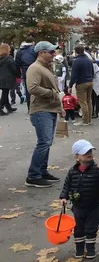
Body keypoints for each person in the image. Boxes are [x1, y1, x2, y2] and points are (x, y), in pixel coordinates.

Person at [25, 42, 65, 187]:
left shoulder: (46, 67)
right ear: (41, 52)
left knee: (46, 142)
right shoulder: (35, 68)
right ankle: (33, 175)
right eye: (51, 52)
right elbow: (32, 88)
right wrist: (51, 94)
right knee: (44, 142)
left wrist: (59, 106)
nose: (53, 54)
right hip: (41, 110)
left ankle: (42, 171)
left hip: (49, 109)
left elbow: (54, 88)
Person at [59, 140, 99, 258]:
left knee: (91, 228)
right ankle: (79, 249)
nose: (89, 154)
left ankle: (90, 249)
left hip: (93, 206)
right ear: (77, 157)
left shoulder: (97, 170)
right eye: (85, 152)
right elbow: (67, 186)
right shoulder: (72, 172)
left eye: (90, 151)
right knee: (78, 229)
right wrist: (64, 197)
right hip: (77, 207)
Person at [69, 45, 94, 126]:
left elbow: (74, 75)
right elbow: (92, 72)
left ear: (76, 52)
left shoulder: (76, 61)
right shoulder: (89, 60)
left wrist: (70, 85)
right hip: (90, 81)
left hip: (81, 83)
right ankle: (89, 119)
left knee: (83, 102)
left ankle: (85, 120)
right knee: (89, 100)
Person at [15, 36, 37, 111]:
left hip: (25, 71)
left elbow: (17, 64)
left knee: (28, 89)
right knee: (37, 87)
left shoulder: (20, 51)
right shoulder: (34, 50)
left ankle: (29, 107)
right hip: (35, 70)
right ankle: (36, 106)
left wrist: (18, 74)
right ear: (33, 42)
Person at [0, 43, 18, 115]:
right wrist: (18, 75)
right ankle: (0, 107)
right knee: (5, 93)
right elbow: (13, 69)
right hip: (8, 78)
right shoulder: (9, 58)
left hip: (1, 78)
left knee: (5, 92)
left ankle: (8, 107)